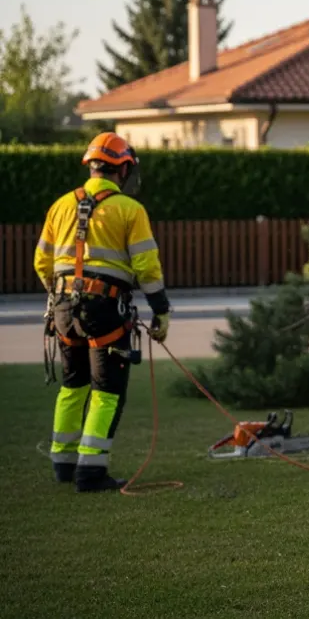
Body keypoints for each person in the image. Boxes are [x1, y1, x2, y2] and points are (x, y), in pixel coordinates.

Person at [33, 132, 172, 493]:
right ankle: (91, 472)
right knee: (107, 390)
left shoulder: (60, 205)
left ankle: (63, 463)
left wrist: (59, 295)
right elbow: (147, 266)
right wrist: (161, 311)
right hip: (106, 309)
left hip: (63, 308)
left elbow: (41, 261)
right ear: (123, 169)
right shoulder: (129, 210)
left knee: (73, 384)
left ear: (91, 167)